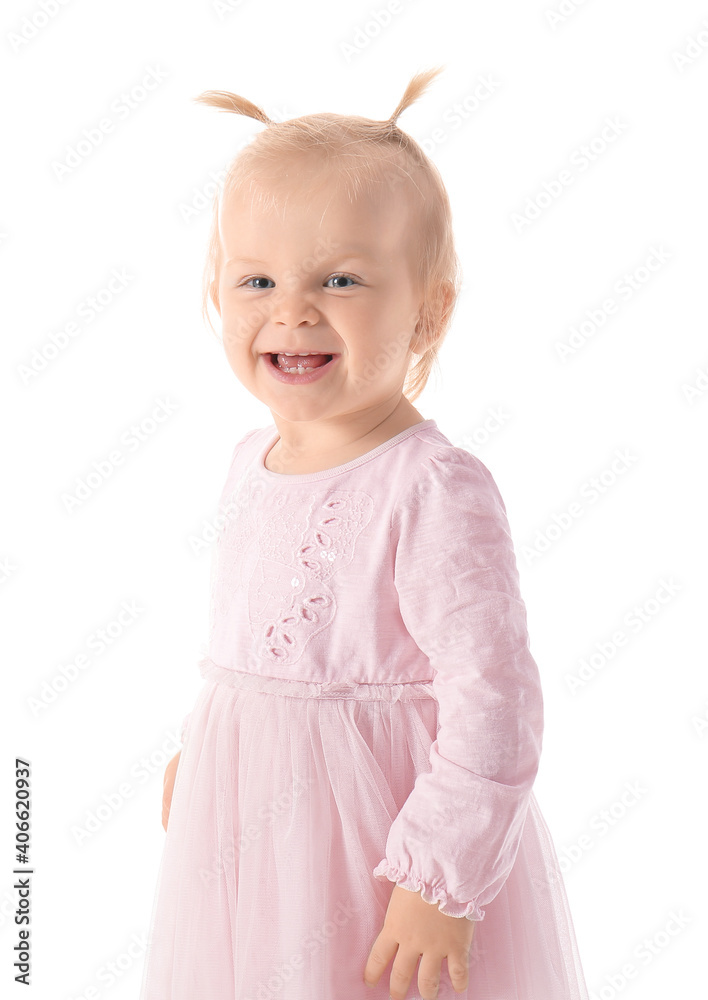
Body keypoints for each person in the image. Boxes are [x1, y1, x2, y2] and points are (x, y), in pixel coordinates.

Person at [139, 67, 589, 1000]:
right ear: (217, 294)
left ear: (429, 308)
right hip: (251, 834)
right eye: (256, 279)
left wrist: (440, 880)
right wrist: (207, 745)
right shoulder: (245, 460)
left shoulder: (432, 486)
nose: (292, 310)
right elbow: (249, 645)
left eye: (340, 279)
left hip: (375, 847)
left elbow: (495, 698)